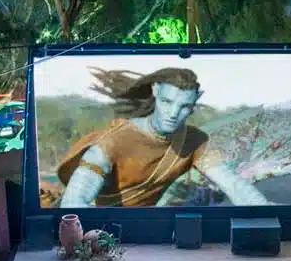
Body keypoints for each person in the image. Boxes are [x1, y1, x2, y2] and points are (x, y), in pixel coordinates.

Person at [51, 66, 271, 208]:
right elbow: (74, 202)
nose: (174, 113)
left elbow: (232, 184)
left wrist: (271, 213)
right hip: (105, 230)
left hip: (152, 231)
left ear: (196, 101)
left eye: (184, 106)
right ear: (155, 91)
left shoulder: (194, 141)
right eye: (167, 102)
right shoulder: (114, 141)